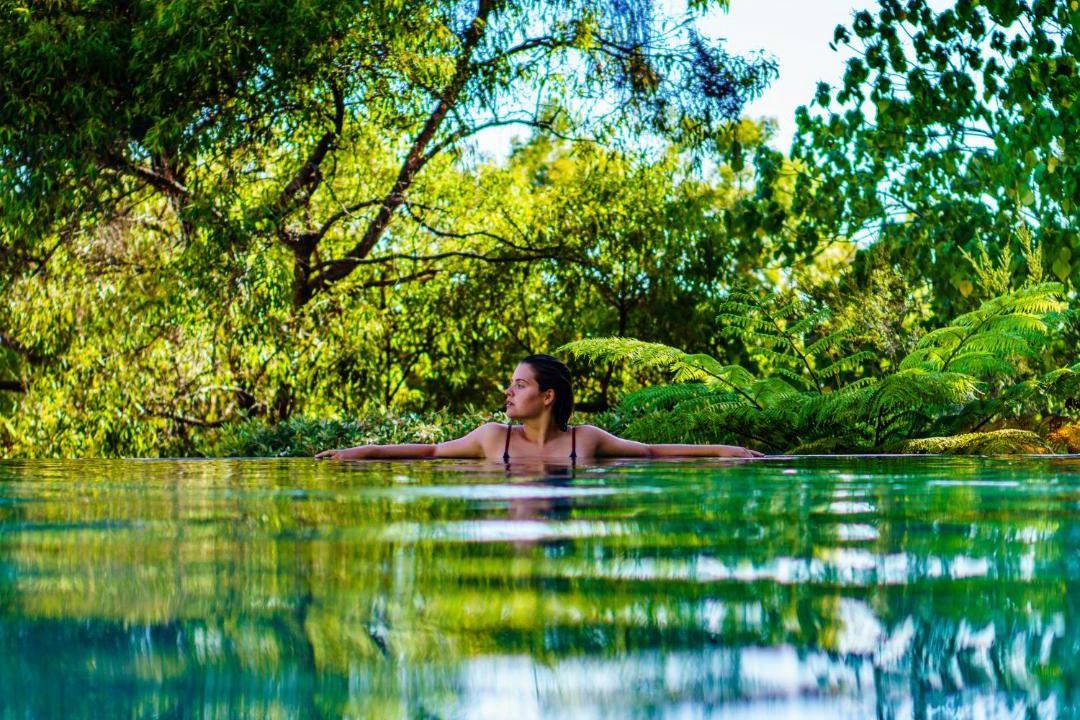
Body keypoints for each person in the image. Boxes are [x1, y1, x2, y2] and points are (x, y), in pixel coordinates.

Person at [315, 354, 764, 462]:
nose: (509, 393)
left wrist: (723, 450)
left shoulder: (584, 440)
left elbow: (648, 452)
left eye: (520, 385)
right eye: (510, 385)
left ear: (547, 396)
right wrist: (365, 451)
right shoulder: (493, 438)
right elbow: (431, 454)